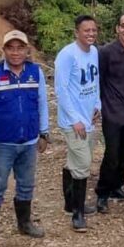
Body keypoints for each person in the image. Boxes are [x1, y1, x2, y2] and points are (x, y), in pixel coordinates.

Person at [0, 30, 49, 247]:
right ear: (4, 50)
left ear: (27, 50)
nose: (16, 52)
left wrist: (44, 132)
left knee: (26, 184)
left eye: (20, 48)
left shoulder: (36, 73)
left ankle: (24, 223)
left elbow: (42, 103)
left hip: (28, 141)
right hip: (1, 142)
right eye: (11, 47)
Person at [53, 14, 101, 231]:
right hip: (74, 122)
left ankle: (69, 203)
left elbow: (95, 81)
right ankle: (78, 215)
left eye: (93, 30)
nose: (90, 34)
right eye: (86, 30)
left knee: (75, 160)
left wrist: (97, 105)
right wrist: (75, 120)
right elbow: (61, 90)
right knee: (82, 165)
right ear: (77, 32)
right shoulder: (67, 55)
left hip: (89, 118)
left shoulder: (94, 53)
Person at [95, 13, 124, 213]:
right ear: (117, 28)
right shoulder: (105, 52)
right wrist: (98, 105)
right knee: (112, 153)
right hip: (112, 110)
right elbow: (99, 80)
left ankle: (117, 185)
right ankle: (102, 193)